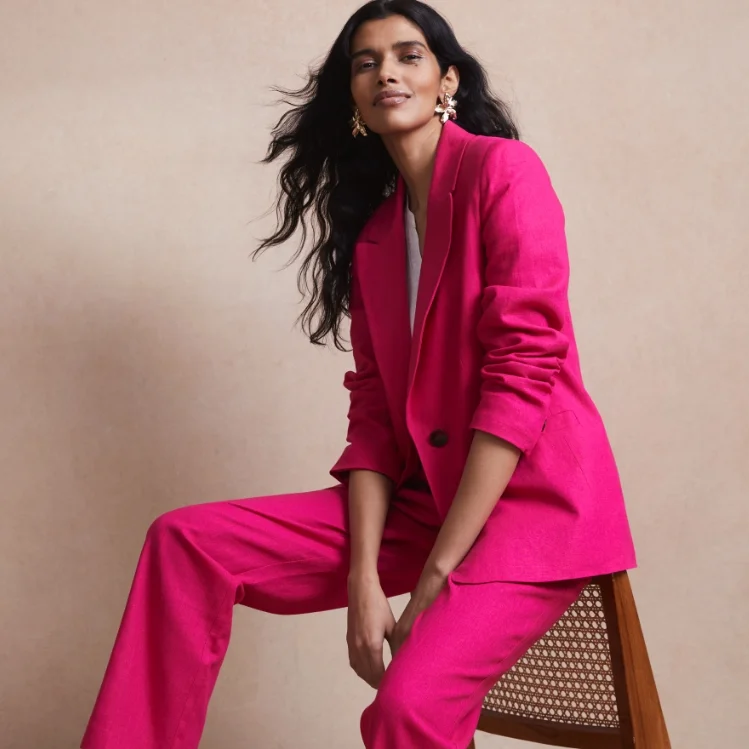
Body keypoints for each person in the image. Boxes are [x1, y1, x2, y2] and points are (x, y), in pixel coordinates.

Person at [80, 1, 637, 747]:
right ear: (352, 96)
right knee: (186, 542)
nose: (386, 73)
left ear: (447, 80)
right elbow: (374, 416)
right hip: (422, 501)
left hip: (526, 507)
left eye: (408, 56)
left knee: (407, 708)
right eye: (365, 63)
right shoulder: (376, 236)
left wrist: (433, 578)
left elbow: (523, 372)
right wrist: (362, 578)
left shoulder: (503, 172)